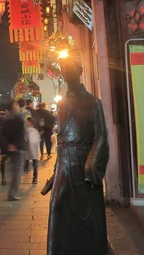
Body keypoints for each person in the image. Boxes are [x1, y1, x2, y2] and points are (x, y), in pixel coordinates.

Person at [46, 52, 109, 255]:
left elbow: (100, 136)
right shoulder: (63, 104)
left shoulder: (93, 102)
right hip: (64, 165)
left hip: (83, 163)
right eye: (63, 71)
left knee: (86, 214)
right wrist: (55, 173)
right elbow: (62, 141)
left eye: (70, 70)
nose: (66, 74)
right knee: (58, 209)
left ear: (79, 72)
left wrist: (91, 166)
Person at [0, 99, 26, 201]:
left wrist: (8, 145)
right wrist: (15, 144)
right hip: (17, 147)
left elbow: (3, 133)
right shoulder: (18, 117)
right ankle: (12, 194)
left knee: (13, 170)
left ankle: (11, 191)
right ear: (15, 106)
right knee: (17, 171)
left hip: (9, 147)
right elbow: (20, 132)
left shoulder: (6, 118)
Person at [24, 117, 41, 184]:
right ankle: (35, 178)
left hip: (28, 150)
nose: (26, 122)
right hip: (35, 151)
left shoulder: (27, 130)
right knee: (35, 164)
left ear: (30, 122)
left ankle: (26, 170)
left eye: (27, 121)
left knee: (26, 160)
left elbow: (25, 139)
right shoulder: (36, 131)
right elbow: (38, 141)